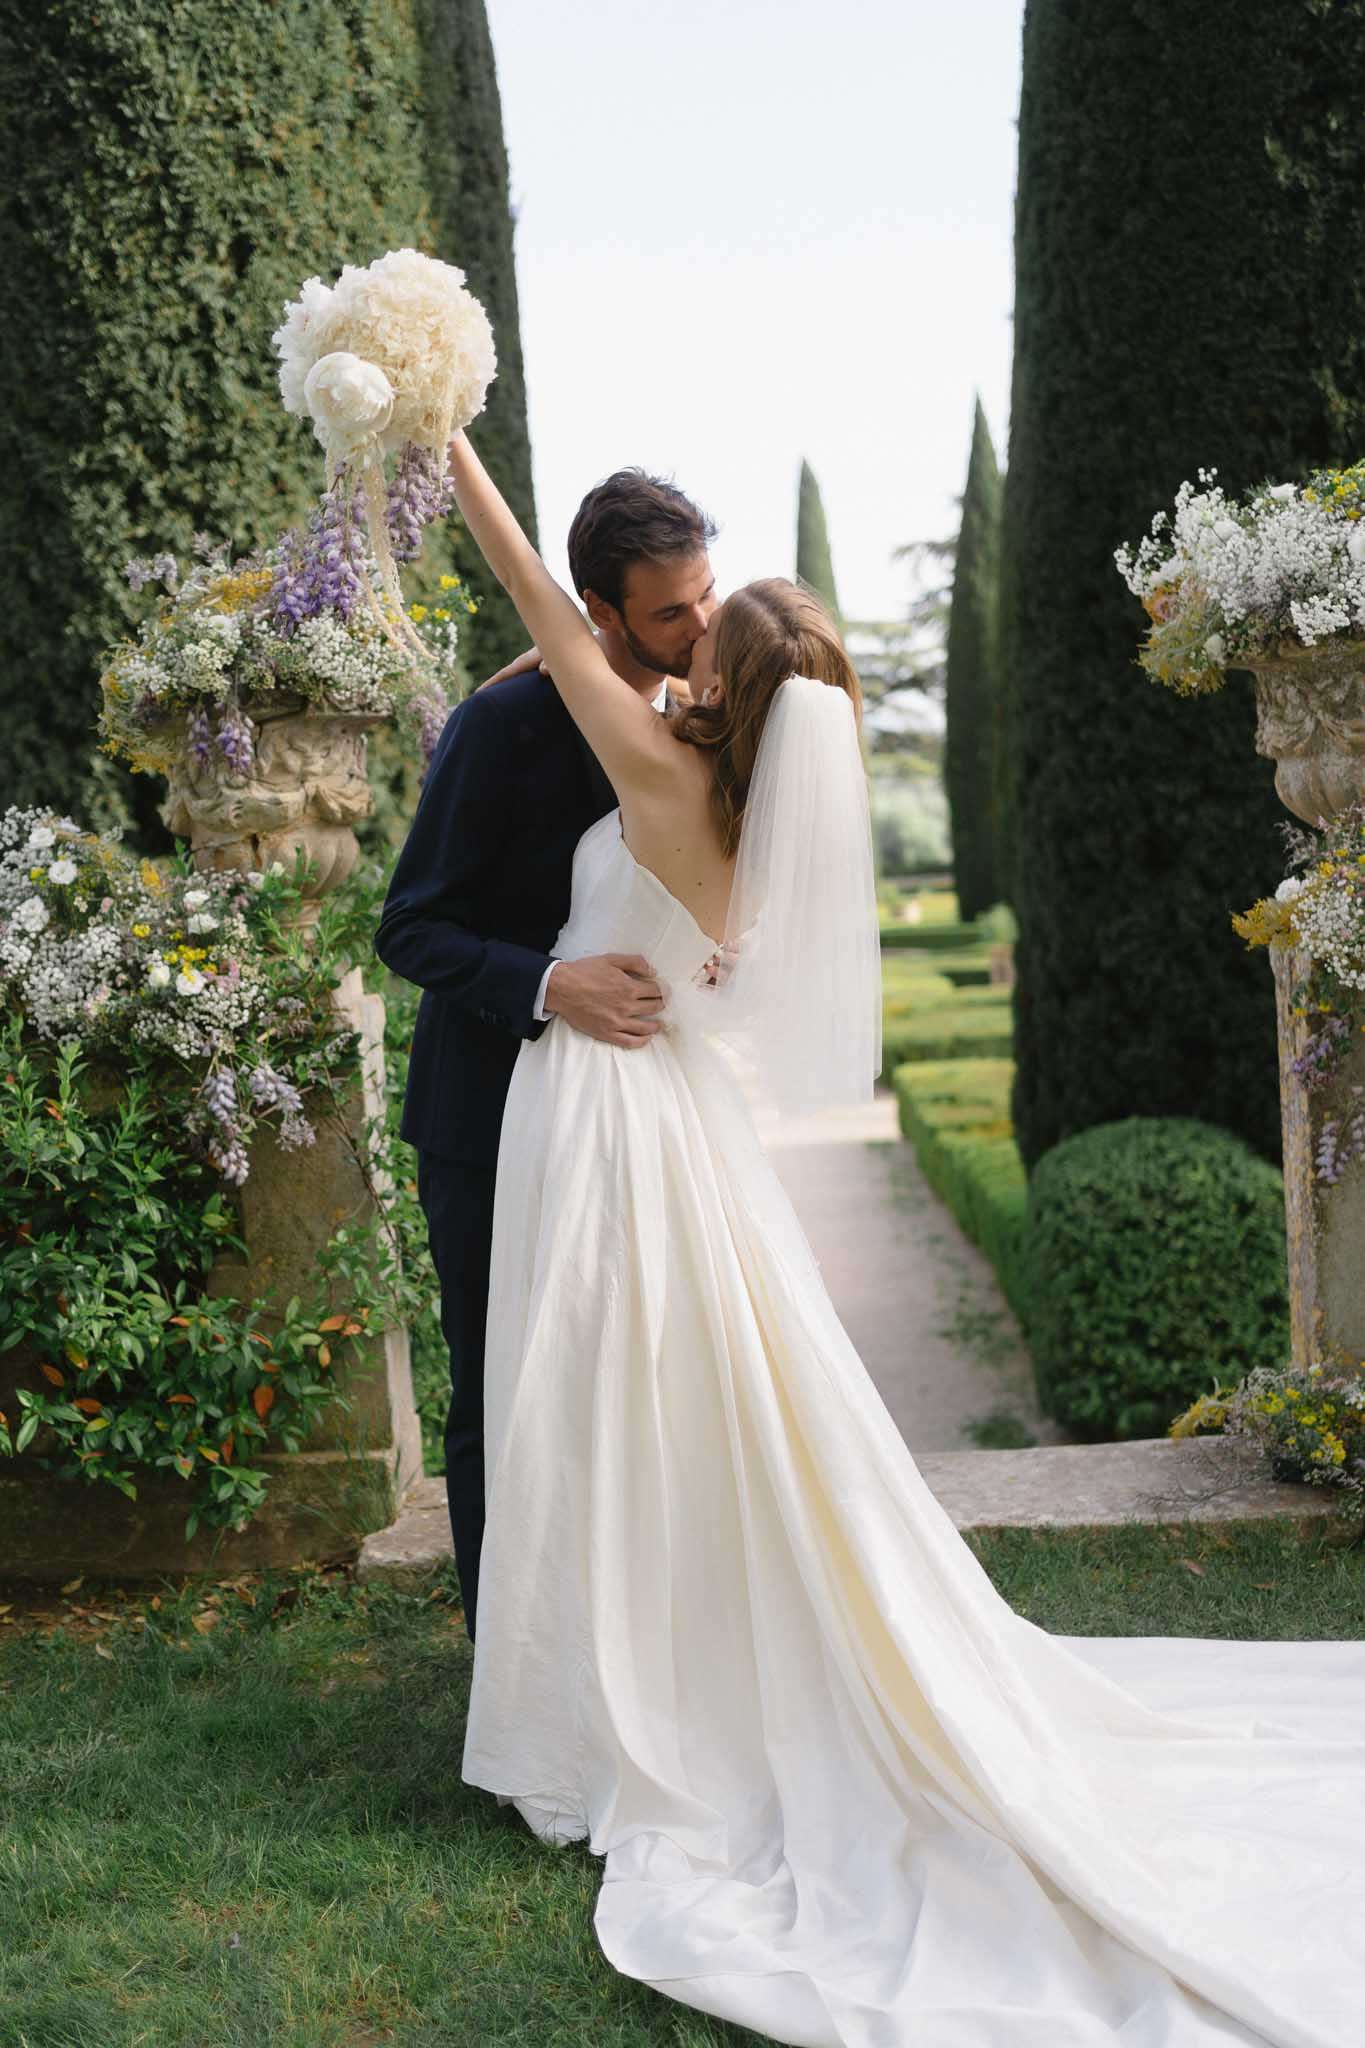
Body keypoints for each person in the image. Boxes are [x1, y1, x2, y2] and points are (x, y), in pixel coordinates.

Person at [433, 425, 1365, 2048]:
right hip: (686, 1130)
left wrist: (444, 434)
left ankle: (601, 1697)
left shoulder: (652, 774)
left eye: (703, 619)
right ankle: (642, 1667)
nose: (679, 632)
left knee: (583, 1401)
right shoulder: (740, 806)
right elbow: (569, 649)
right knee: (680, 1409)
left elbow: (533, 591)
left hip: (602, 1115)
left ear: (717, 678)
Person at [374, 469, 717, 1643]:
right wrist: (551, 985)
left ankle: (622, 1640)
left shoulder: (701, 722)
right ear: (599, 610)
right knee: (500, 1391)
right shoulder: (500, 722)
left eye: (705, 596)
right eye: (670, 611)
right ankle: (504, 1666)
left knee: (634, 1385)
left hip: (637, 1119)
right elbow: (408, 926)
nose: (699, 627)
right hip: (484, 1117)